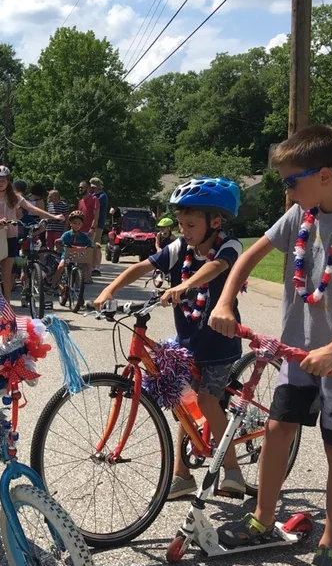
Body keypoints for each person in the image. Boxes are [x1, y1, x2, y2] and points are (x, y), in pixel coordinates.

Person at [209, 125, 332, 566]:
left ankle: (331, 545)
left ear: (325, 175)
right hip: (298, 355)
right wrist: (225, 301)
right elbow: (248, 256)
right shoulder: (302, 215)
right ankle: (261, 519)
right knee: (277, 431)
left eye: (291, 180)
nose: (287, 190)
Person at [95, 177, 246, 499]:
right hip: (188, 342)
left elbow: (217, 268)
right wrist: (110, 290)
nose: (184, 231)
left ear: (215, 222)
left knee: (206, 400)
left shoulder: (229, 246)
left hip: (220, 343)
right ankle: (181, 474)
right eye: (180, 224)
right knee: (181, 401)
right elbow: (141, 267)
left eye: (191, 224)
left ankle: (232, 469)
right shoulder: (179, 248)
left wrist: (184, 284)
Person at [0, 166, 63, 302]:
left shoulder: (15, 198)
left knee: (7, 274)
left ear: (8, 181)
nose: (0, 183)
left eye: (3, 180)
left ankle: (6, 302)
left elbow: (33, 209)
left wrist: (53, 217)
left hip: (11, 237)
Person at [51, 210, 92, 300]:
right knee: (61, 266)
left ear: (81, 224)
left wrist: (94, 246)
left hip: (79, 254)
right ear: (70, 223)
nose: (77, 225)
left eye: (79, 223)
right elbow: (61, 241)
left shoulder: (84, 236)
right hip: (68, 254)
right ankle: (54, 283)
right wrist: (58, 242)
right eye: (74, 223)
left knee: (87, 263)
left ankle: (87, 276)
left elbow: (90, 244)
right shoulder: (67, 234)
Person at [77, 180, 99, 269]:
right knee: (80, 252)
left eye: (82, 187)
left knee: (88, 252)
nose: (80, 189)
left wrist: (92, 228)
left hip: (89, 230)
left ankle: (89, 274)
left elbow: (96, 216)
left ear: (89, 188)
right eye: (79, 187)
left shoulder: (94, 199)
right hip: (80, 230)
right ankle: (80, 274)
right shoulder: (80, 201)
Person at [89, 177, 108, 276]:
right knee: (91, 246)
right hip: (90, 223)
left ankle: (97, 267)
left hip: (98, 223)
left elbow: (94, 205)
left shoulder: (102, 196)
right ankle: (91, 267)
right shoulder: (92, 195)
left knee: (96, 244)